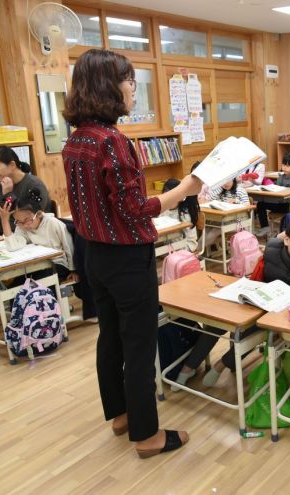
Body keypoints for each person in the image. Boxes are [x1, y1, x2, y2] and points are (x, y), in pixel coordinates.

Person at [62, 48, 202, 458]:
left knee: (111, 339)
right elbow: (135, 209)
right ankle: (148, 436)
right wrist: (183, 190)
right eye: (128, 81)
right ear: (108, 86)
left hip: (95, 257)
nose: (133, 89)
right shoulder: (113, 143)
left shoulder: (76, 140)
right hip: (126, 258)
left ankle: (121, 416)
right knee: (140, 345)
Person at [170, 218, 290, 388]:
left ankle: (221, 365)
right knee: (219, 321)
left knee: (248, 333)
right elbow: (254, 282)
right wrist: (240, 291)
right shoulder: (270, 254)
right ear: (286, 240)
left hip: (280, 316)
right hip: (256, 303)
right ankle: (188, 367)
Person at [0, 189, 75, 280]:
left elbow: (68, 246)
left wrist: (74, 270)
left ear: (39, 214)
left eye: (27, 220)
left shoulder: (53, 224)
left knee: (38, 281)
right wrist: (4, 221)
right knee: (18, 282)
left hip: (57, 265)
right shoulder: (21, 227)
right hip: (35, 267)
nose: (25, 225)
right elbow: (13, 246)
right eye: (19, 222)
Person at [0, 146, 51, 235]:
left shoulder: (34, 185)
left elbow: (31, 216)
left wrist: (8, 194)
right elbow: (1, 213)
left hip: (34, 233)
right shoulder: (2, 185)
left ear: (12, 165)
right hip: (9, 234)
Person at [255, 153, 290, 236]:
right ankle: (265, 227)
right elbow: (276, 190)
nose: (284, 167)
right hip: (280, 203)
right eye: (283, 165)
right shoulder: (281, 177)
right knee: (261, 204)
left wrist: (287, 191)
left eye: (288, 166)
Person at [159, 178, 199, 253]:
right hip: (168, 246)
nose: (167, 198)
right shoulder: (164, 210)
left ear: (179, 197)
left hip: (183, 249)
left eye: (170, 195)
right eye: (165, 194)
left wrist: (183, 251)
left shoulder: (184, 214)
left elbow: (191, 240)